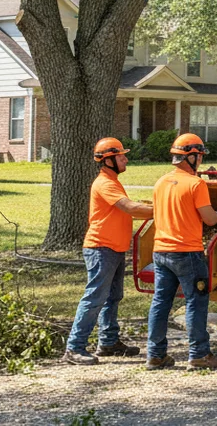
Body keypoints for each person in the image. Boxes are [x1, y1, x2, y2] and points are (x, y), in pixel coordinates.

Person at [145, 133, 217, 370]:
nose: (201, 161)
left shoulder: (161, 182)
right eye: (200, 156)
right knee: (196, 300)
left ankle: (155, 355)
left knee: (161, 302)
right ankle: (200, 355)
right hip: (187, 252)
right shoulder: (196, 184)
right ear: (191, 157)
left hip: (161, 250)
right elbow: (209, 217)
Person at [64, 137, 154, 365]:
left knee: (113, 297)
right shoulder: (105, 183)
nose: (125, 158)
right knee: (95, 297)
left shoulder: (112, 180)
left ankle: (108, 342)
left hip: (113, 248)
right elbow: (129, 207)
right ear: (109, 160)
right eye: (121, 155)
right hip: (101, 248)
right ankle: (74, 348)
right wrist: (166, 209)